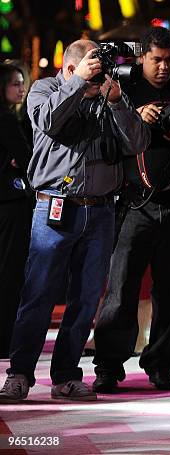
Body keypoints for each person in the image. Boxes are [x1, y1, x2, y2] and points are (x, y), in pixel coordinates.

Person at [0, 40, 150, 403]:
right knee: (38, 295)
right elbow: (48, 120)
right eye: (87, 66)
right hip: (54, 209)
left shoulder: (106, 95)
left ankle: (66, 375)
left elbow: (138, 140)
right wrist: (78, 83)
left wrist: (115, 101)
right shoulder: (44, 90)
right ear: (70, 68)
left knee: (85, 299)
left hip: (99, 211)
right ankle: (19, 373)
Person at [92, 27, 170, 392]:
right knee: (121, 290)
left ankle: (162, 366)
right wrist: (135, 118)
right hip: (133, 205)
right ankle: (109, 367)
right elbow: (104, 145)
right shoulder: (124, 91)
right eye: (156, 60)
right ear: (141, 56)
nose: (162, 67)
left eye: (169, 60)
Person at [0, 63, 32, 358]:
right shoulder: (9, 121)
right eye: (15, 83)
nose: (21, 89)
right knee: (10, 272)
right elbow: (27, 159)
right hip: (11, 204)